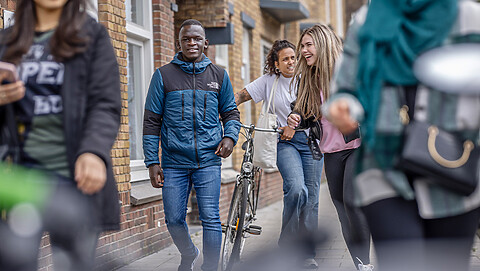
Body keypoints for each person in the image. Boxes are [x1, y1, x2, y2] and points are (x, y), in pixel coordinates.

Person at [325, 1, 480, 270]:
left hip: (455, 168)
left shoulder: (468, 17)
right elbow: (345, 88)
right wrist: (343, 107)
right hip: (383, 167)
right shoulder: (367, 20)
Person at [0, 0, 121, 270]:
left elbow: (105, 104)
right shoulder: (6, 41)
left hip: (75, 181)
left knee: (76, 263)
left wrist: (93, 151)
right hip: (18, 180)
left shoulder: (92, 36)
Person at [143, 19, 240, 271]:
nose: (192, 43)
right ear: (179, 43)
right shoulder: (163, 75)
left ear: (206, 43)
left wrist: (230, 137)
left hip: (209, 159)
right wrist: (152, 161)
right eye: (186, 39)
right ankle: (189, 253)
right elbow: (152, 121)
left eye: (197, 38)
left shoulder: (219, 75)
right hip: (174, 161)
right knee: (174, 219)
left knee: (210, 218)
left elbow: (230, 112)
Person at [287, 24, 372, 270]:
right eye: (302, 45)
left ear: (322, 44)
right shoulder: (310, 79)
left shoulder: (348, 70)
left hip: (357, 146)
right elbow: (310, 115)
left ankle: (365, 263)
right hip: (331, 151)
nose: (303, 50)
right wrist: (298, 118)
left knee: (351, 201)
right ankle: (359, 263)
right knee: (341, 208)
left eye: (307, 45)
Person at [234, 39, 324, 269]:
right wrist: (222, 110)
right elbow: (241, 96)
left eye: (293, 57)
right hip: (285, 144)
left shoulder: (307, 79)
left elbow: (317, 109)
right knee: (296, 189)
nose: (291, 62)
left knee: (311, 199)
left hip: (311, 142)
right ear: (276, 63)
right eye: (285, 59)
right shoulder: (268, 82)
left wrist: (296, 123)